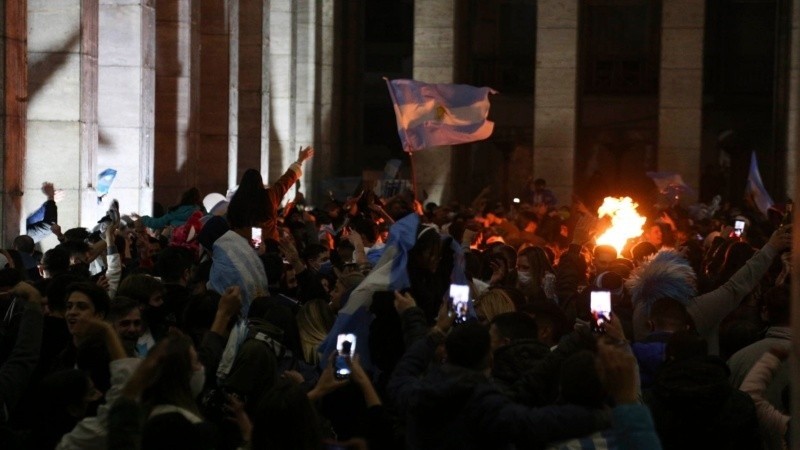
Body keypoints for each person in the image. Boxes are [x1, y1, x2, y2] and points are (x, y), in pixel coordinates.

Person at [226, 147, 314, 247]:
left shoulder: (235, 202)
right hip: (268, 245)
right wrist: (300, 160)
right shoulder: (269, 196)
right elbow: (285, 181)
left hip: (241, 246)